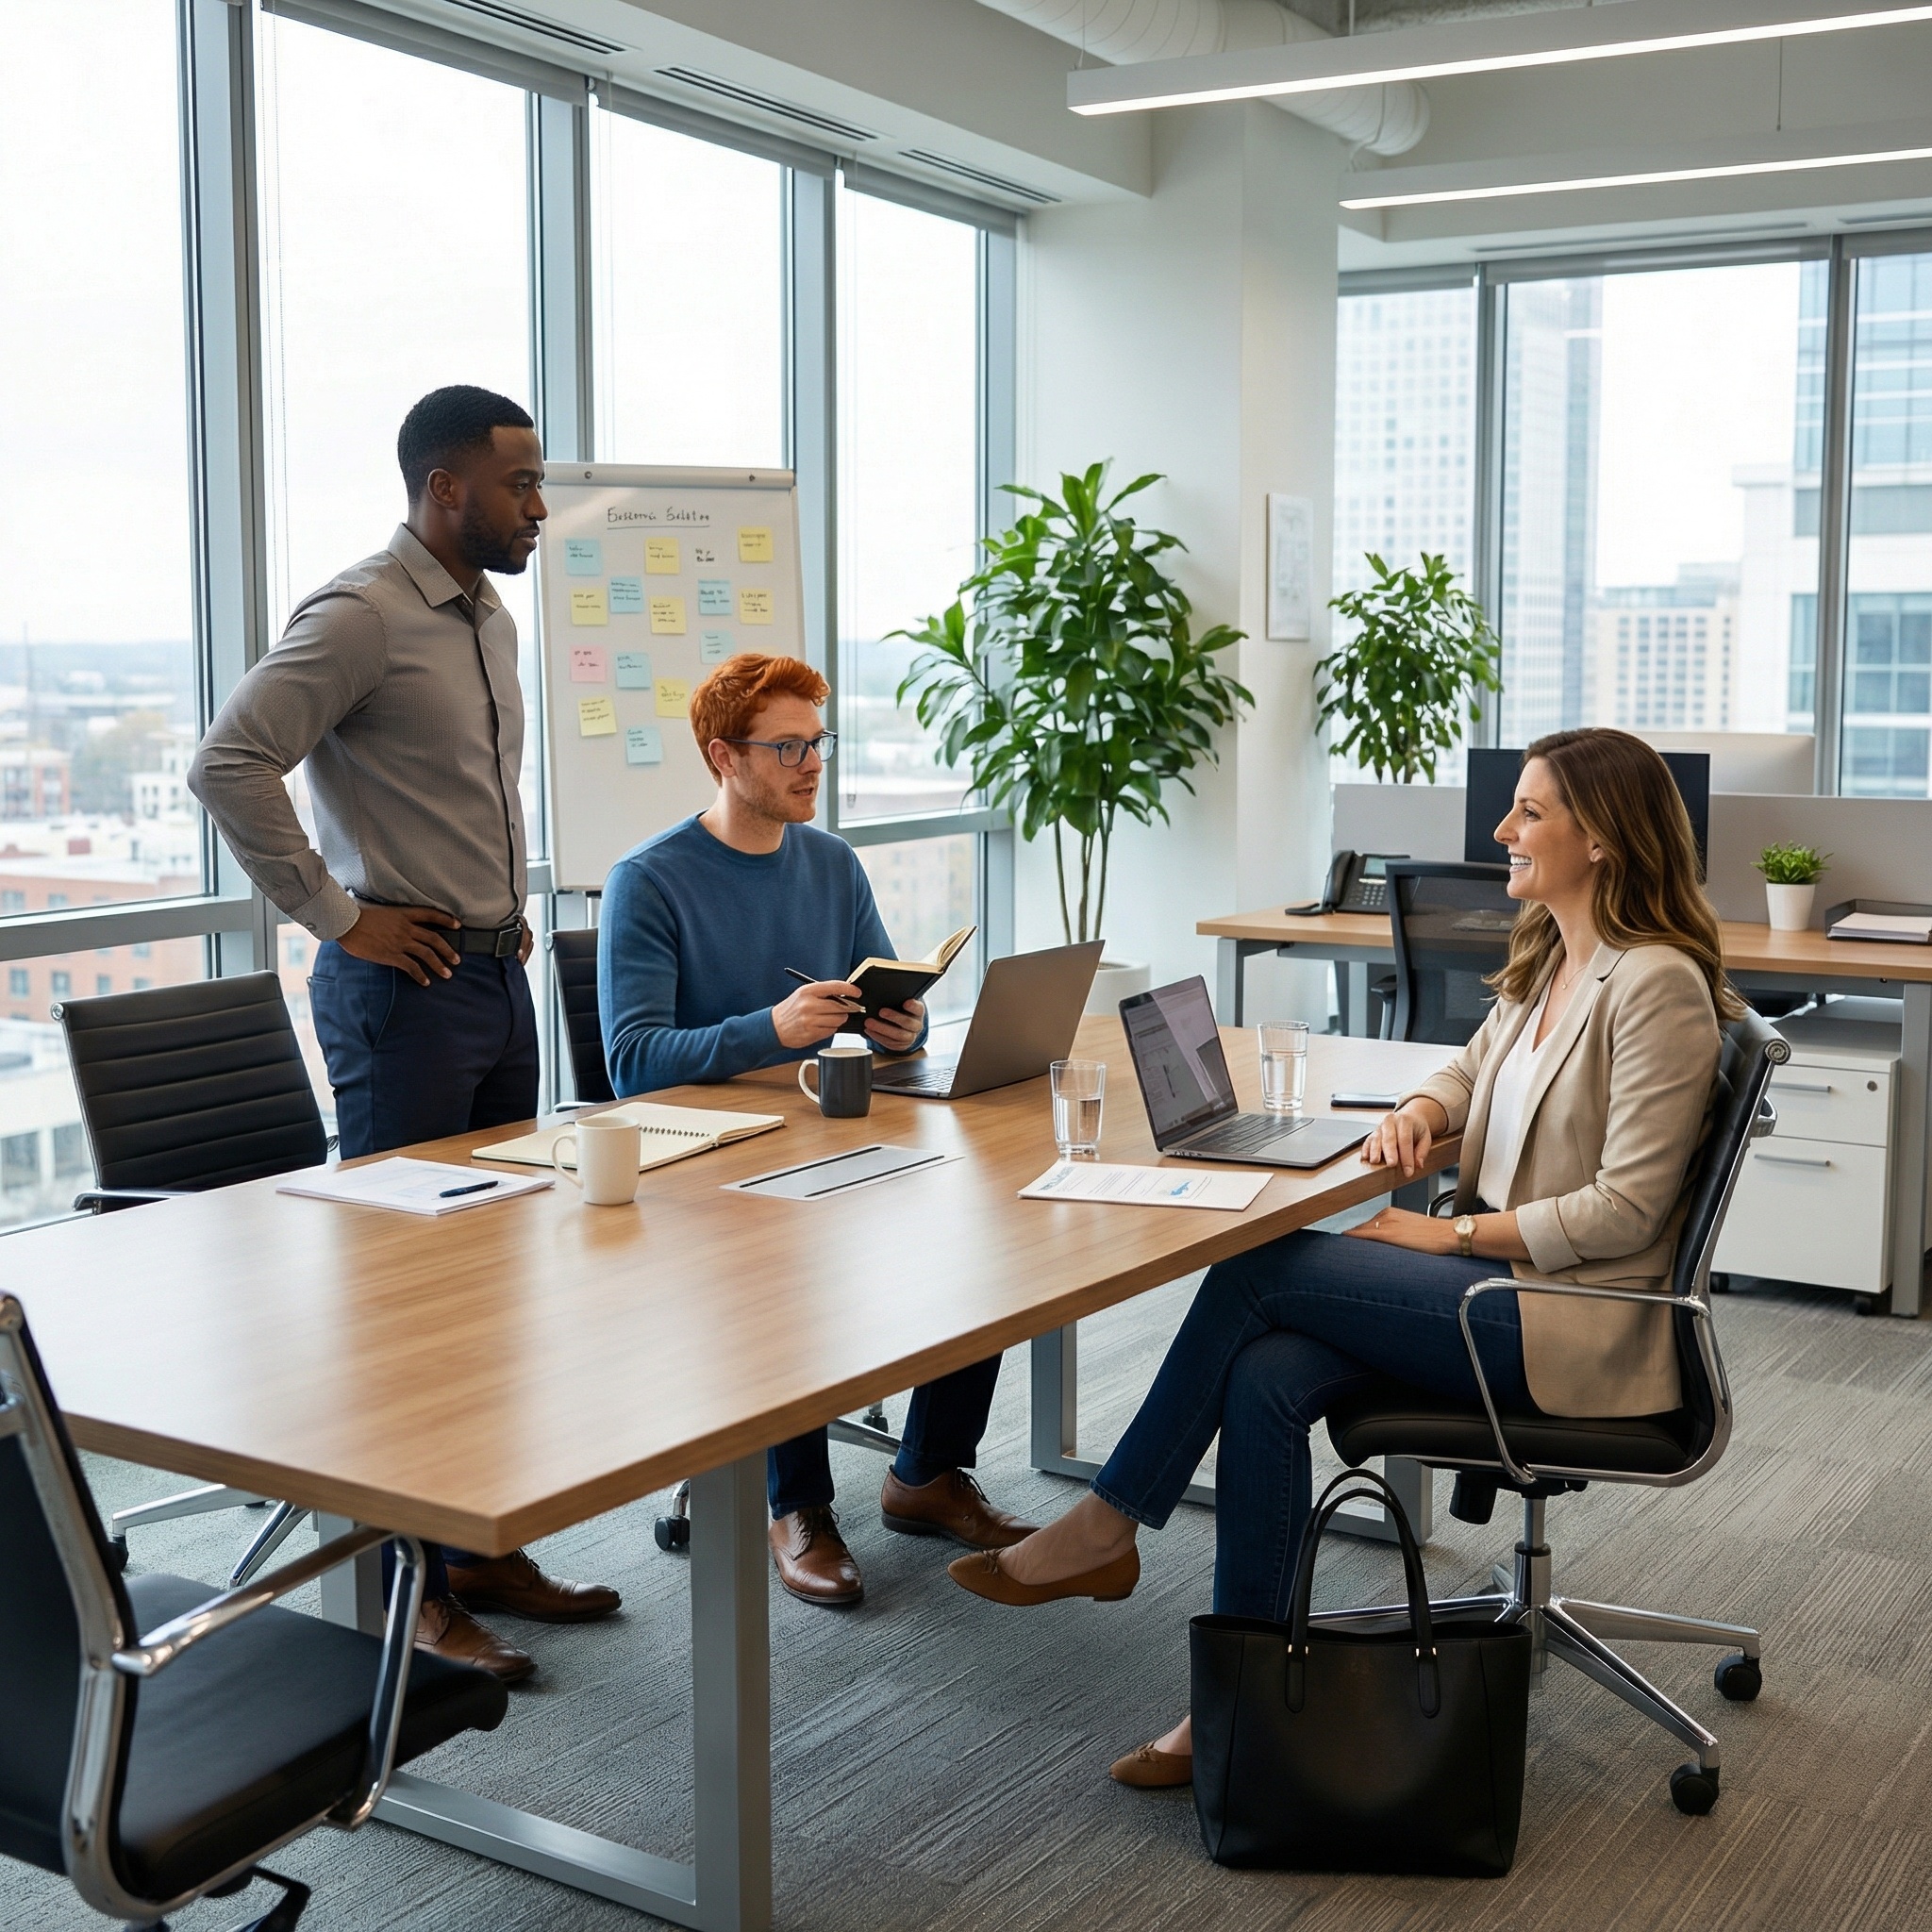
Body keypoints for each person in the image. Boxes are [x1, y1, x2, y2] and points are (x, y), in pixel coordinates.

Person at [948, 726, 1736, 1786]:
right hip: (1497, 1289)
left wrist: (1442, 1230)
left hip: (1571, 1316)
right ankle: (1236, 1700)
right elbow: (1464, 1071)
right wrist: (1419, 1108)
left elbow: (1626, 1210)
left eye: (1530, 812)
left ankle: (1105, 1520)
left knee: (1260, 1268)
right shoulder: (1555, 955)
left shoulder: (1654, 984)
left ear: (1599, 839)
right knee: (1266, 1375)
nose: (1501, 829)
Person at [188, 385, 621, 1685]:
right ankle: (401, 1596)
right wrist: (334, 916)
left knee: (489, 1297)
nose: (542, 507)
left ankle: (478, 1551)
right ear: (447, 489)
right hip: (401, 997)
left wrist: (504, 910)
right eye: (522, 484)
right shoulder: (363, 614)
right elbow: (230, 763)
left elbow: (470, 792)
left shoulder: (485, 617)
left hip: (487, 986)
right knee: (402, 1314)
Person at [598, 651, 1038, 1607]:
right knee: (778, 1263)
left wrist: (900, 1021)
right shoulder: (648, 880)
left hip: (823, 1130)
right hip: (703, 1167)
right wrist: (770, 1026)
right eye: (787, 746)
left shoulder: (830, 863)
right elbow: (630, 1059)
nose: (811, 763)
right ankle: (795, 1503)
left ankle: (925, 1471)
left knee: (988, 1226)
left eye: (816, 742)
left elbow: (872, 994)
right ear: (723, 754)